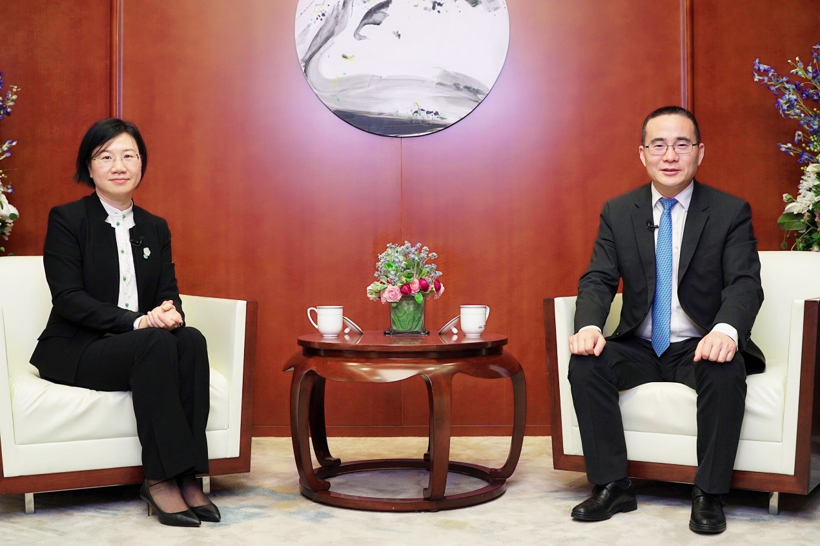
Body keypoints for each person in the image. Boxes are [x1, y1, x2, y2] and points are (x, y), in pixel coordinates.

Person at [567, 106, 764, 534]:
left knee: (725, 368)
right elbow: (599, 278)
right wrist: (589, 326)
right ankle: (613, 485)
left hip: (698, 343)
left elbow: (745, 283)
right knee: (586, 363)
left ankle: (709, 493)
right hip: (639, 345)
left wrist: (725, 331)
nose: (670, 155)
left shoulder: (729, 211)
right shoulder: (619, 211)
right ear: (642, 154)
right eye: (658, 145)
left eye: (681, 144)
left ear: (700, 152)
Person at [30, 118, 220, 527]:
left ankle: (189, 474)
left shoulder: (155, 227)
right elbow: (68, 298)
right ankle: (160, 478)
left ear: (141, 163)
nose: (119, 166)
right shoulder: (67, 219)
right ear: (89, 166)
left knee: (191, 339)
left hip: (140, 347)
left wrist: (170, 313)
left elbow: (168, 292)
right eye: (106, 157)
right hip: (78, 348)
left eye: (129, 156)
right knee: (154, 343)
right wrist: (139, 322)